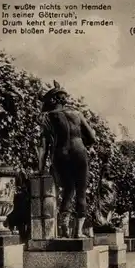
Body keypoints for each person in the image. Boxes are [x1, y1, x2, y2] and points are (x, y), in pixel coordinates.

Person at [38, 81, 96, 238]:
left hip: (60, 154)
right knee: (81, 192)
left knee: (68, 190)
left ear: (53, 100)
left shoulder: (46, 117)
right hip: (79, 152)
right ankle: (78, 232)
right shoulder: (77, 114)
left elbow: (43, 146)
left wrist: (41, 168)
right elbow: (92, 138)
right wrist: (80, 139)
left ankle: (64, 227)